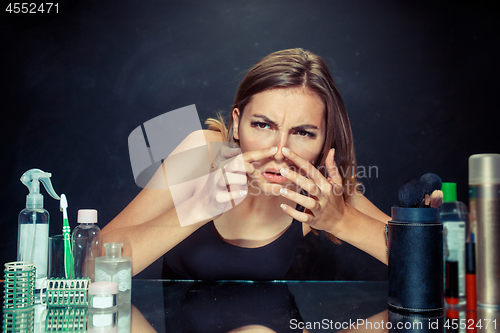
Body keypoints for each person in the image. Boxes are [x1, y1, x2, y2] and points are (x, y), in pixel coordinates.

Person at [101, 48, 391, 280]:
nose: (279, 151)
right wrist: (198, 207)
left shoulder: (318, 189)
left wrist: (341, 220)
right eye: (263, 125)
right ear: (238, 124)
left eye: (303, 133)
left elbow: (427, 261)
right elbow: (94, 262)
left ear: (325, 140)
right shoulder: (204, 152)